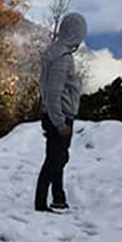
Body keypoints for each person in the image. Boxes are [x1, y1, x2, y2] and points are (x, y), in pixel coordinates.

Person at [36, 12, 87, 213]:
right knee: (55, 159)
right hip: (60, 115)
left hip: (53, 115)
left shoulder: (54, 52)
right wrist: (60, 123)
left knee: (57, 157)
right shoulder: (62, 58)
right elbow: (54, 93)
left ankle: (59, 197)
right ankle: (41, 202)